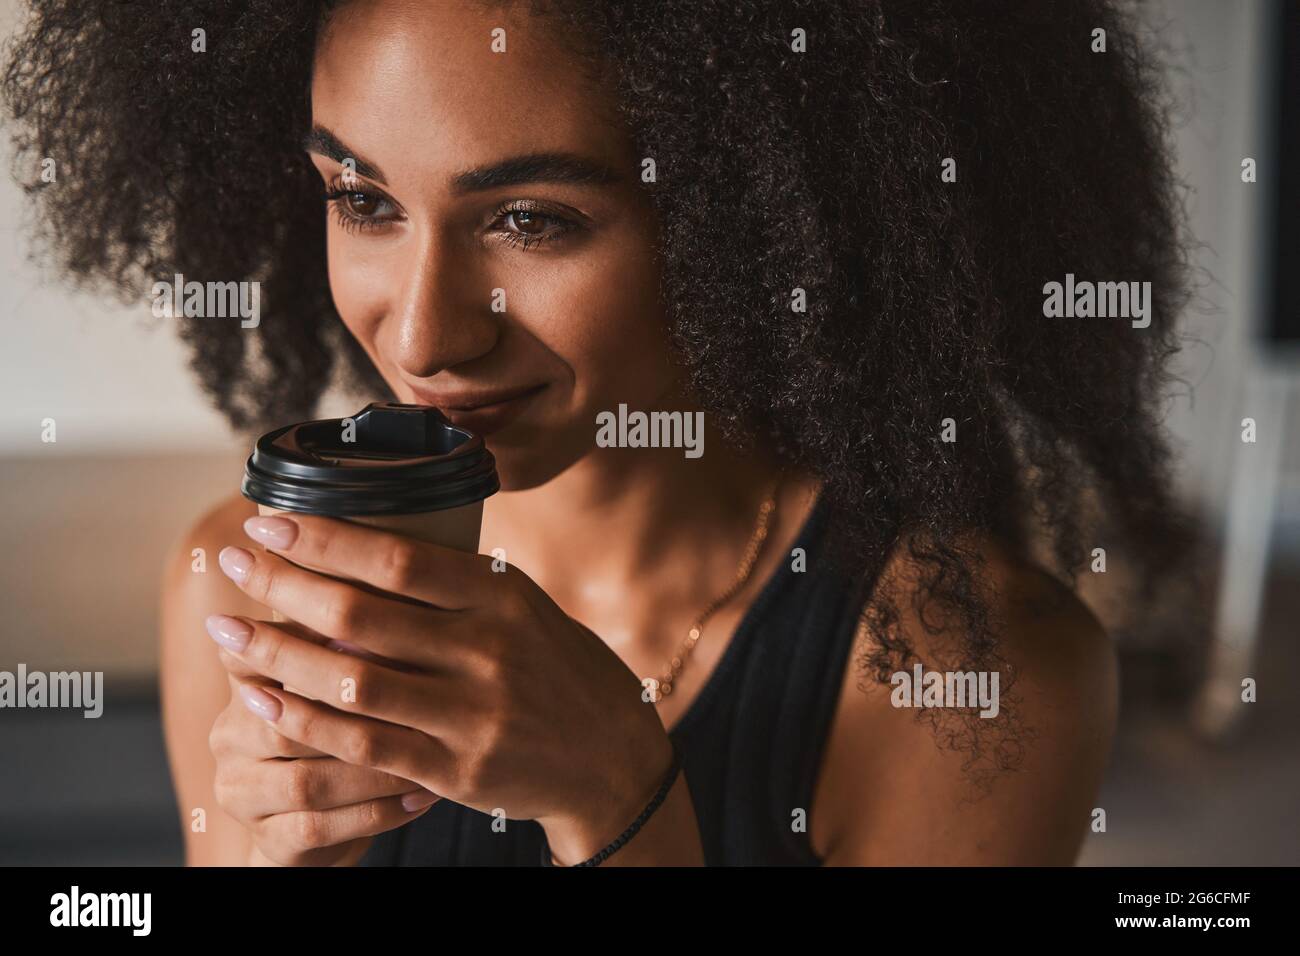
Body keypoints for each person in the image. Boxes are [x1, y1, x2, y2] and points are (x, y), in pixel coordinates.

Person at [1, 0, 1196, 865]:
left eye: (531, 220)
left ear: (763, 218)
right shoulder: (247, 588)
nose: (422, 334)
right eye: (363, 200)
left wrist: (619, 802)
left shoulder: (966, 683)